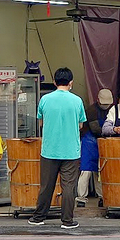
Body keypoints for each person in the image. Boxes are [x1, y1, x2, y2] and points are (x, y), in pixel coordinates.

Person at [28, 67, 86, 229]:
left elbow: (40, 122)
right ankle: (67, 220)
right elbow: (81, 125)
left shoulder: (45, 99)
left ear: (54, 82)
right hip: (71, 151)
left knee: (46, 185)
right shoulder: (77, 101)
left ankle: (39, 217)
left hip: (49, 150)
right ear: (71, 82)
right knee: (68, 187)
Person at [77, 88, 114, 206]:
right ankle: (81, 198)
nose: (106, 106)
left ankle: (102, 197)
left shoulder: (113, 110)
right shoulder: (91, 111)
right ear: (98, 100)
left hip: (103, 142)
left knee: (100, 171)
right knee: (86, 171)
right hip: (89, 142)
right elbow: (95, 129)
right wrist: (111, 131)